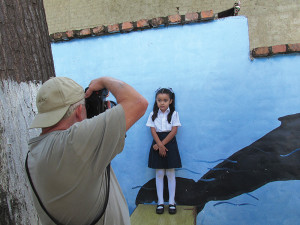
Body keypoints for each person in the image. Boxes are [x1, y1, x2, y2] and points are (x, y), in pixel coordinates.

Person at [27, 76, 148, 225]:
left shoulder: (33, 153)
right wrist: (104, 81)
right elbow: (138, 103)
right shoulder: (75, 142)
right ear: (79, 110)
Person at [146, 87, 182, 215]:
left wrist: (161, 145)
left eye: (165, 100)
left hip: (169, 143)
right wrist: (158, 144)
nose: (162, 103)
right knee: (160, 173)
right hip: (157, 141)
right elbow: (152, 130)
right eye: (159, 100)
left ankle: (172, 202)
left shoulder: (174, 114)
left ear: (170, 101)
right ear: (156, 101)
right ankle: (160, 202)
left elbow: (174, 131)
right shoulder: (152, 114)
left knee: (170, 174)